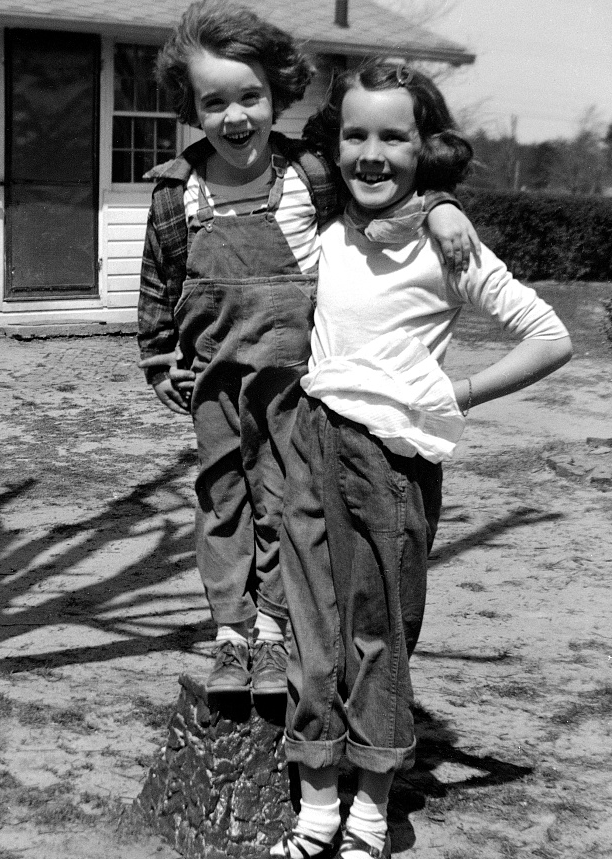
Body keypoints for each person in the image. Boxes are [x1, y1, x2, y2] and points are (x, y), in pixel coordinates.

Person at [231, 60, 572, 859]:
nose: (372, 153)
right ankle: (314, 817)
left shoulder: (446, 243)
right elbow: (253, 157)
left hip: (389, 463)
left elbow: (548, 337)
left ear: (427, 147)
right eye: (355, 135)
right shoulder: (326, 226)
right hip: (310, 443)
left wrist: (454, 393)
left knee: (376, 639)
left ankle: (367, 823)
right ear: (334, 144)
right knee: (309, 633)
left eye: (394, 136)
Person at [137, 2, 478, 697]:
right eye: (214, 102)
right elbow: (158, 282)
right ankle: (229, 635)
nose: (235, 116)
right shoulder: (176, 193)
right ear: (190, 108)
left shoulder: (309, 176)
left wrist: (441, 204)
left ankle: (270, 632)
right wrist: (158, 356)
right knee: (221, 498)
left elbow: (386, 192)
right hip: (214, 381)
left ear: (278, 95)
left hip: (296, 381)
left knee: (284, 499)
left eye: (250, 97)